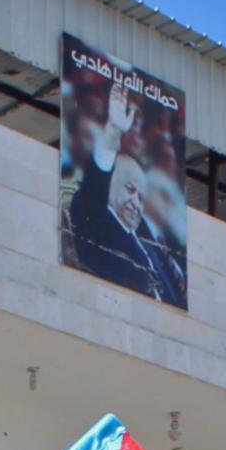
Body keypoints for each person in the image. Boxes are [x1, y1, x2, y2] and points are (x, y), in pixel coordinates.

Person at [62, 86, 187, 307]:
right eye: (130, 189)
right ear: (110, 184)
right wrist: (113, 132)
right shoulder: (94, 215)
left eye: (140, 197)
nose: (136, 203)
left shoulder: (144, 234)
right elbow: (95, 186)